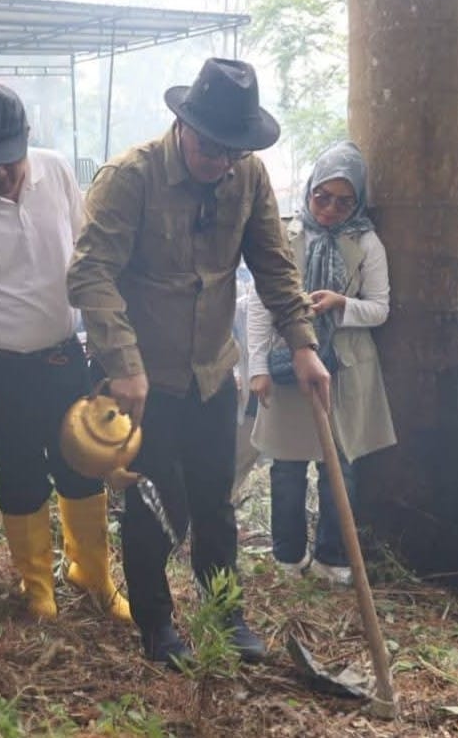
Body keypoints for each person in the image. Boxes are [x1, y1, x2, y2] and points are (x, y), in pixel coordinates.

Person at [67, 57, 330, 669]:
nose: (221, 162)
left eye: (233, 152)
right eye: (211, 148)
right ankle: (156, 625)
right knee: (156, 503)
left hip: (213, 372)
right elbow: (91, 274)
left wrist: (304, 345)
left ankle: (222, 609)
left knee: (215, 502)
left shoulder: (249, 177)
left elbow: (273, 266)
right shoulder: (128, 177)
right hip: (143, 381)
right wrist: (125, 364)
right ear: (182, 126)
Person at [0, 84, 130, 622]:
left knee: (81, 464)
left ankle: (93, 575)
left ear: (26, 141)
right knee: (19, 473)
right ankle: (37, 586)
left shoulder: (55, 171)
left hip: (62, 355)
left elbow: (86, 257)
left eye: (7, 162)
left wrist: (107, 344)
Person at [247, 141, 397, 586]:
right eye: (322, 197)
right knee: (287, 467)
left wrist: (341, 304)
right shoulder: (286, 234)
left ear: (358, 202)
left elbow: (381, 308)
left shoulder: (366, 242)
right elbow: (260, 304)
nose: (330, 208)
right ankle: (288, 558)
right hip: (289, 362)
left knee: (341, 468)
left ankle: (332, 558)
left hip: (346, 371)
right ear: (310, 191)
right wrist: (257, 367)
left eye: (343, 200)